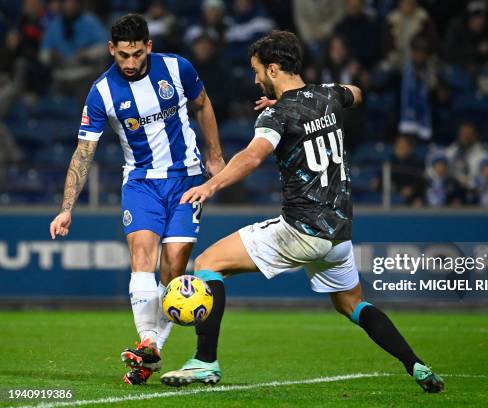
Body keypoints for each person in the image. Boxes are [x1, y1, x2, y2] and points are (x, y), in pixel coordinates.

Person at [160, 30, 444, 393]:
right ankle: (417, 365)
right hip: (338, 235)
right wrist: (302, 99)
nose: (256, 79)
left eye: (258, 70)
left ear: (274, 68)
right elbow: (356, 93)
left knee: (207, 264)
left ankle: (204, 362)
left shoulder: (277, 116)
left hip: (300, 230)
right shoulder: (327, 95)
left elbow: (252, 156)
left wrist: (209, 185)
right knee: (352, 304)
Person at [48, 14, 224, 385]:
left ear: (149, 48)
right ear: (112, 49)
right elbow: (83, 153)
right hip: (141, 182)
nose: (130, 63)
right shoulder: (102, 93)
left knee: (173, 269)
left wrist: (215, 155)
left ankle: (150, 354)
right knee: (142, 255)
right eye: (123, 55)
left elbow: (203, 103)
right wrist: (66, 208)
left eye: (137, 55)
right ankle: (148, 341)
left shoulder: (178, 69)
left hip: (187, 180)